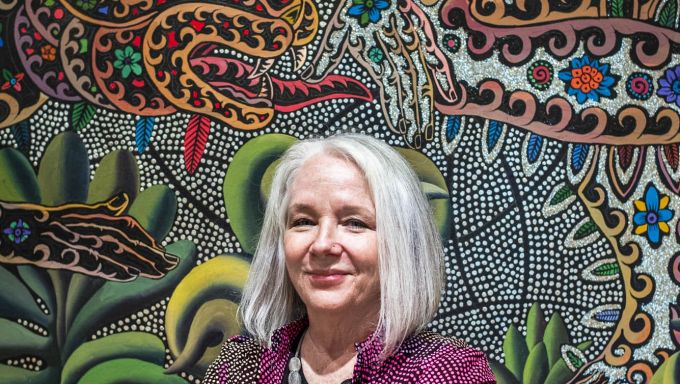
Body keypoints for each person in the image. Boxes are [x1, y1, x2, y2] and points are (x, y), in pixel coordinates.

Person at [204, 133, 495, 383]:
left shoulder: (447, 372)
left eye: (354, 222)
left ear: (400, 244)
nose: (322, 244)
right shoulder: (239, 366)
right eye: (303, 221)